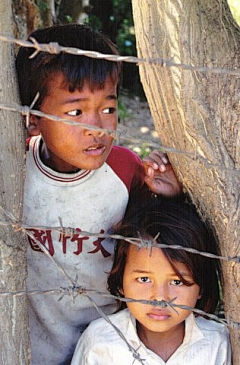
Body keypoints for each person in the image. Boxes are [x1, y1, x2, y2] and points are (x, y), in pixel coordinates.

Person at [16, 24, 180, 364]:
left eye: (107, 108)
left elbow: (158, 243)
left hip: (111, 347)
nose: (98, 128)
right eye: (76, 112)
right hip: (29, 345)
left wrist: (169, 198)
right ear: (34, 120)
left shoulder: (125, 170)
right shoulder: (15, 171)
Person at [71, 195, 232, 365]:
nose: (160, 297)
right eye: (144, 279)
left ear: (202, 287)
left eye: (177, 282)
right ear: (121, 282)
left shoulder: (217, 343)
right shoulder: (100, 342)